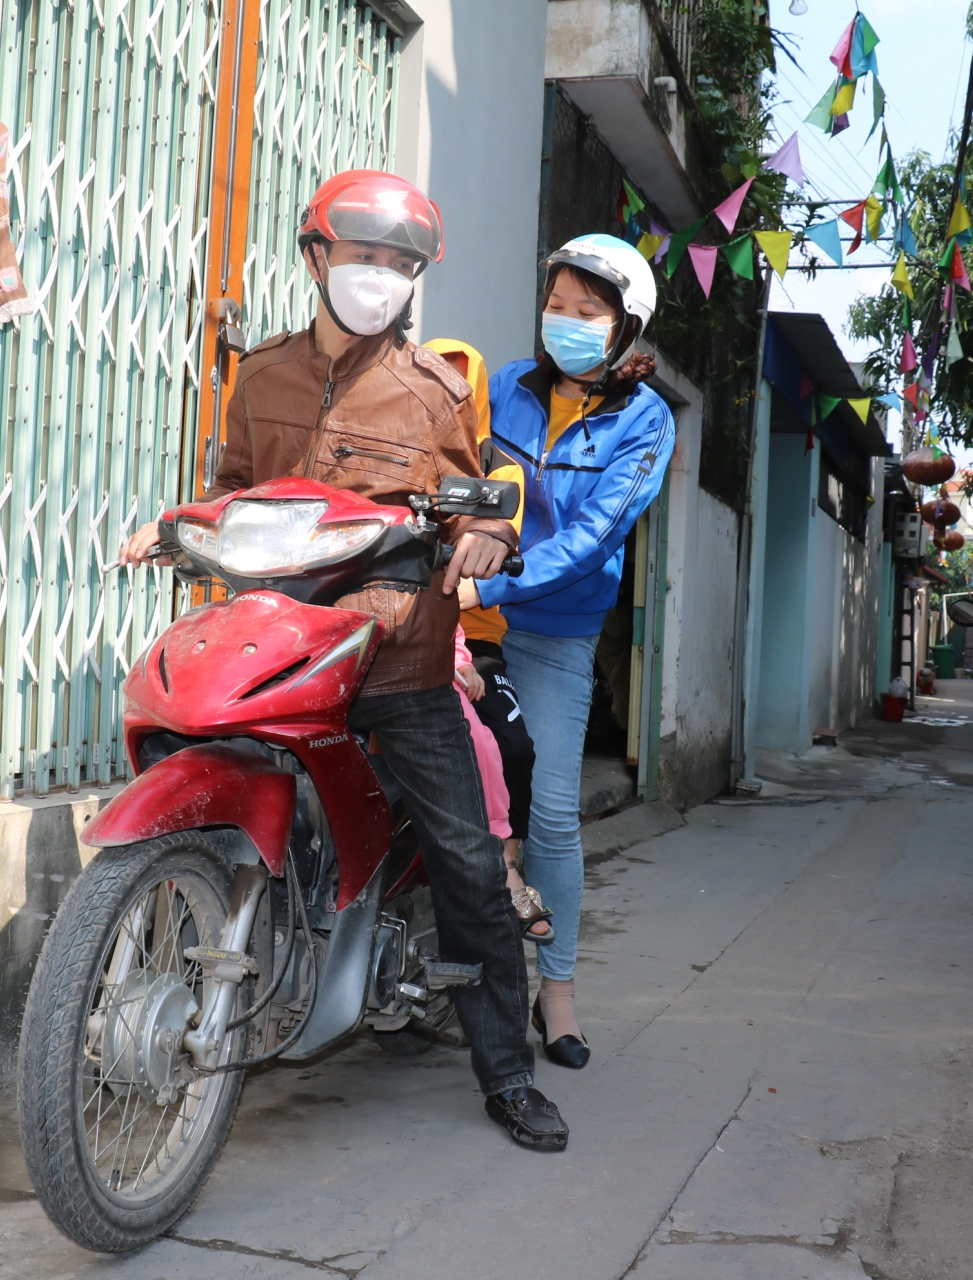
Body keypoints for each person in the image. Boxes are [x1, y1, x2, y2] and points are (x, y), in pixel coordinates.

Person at [119, 170, 567, 1152]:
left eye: (400, 263)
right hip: (275, 642)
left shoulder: (432, 392)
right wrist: (176, 531)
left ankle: (504, 1071)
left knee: (466, 861)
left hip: (394, 659)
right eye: (362, 254)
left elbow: (477, 500)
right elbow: (234, 491)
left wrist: (488, 538)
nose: (380, 276)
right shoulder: (263, 375)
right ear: (315, 256)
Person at [458, 234, 676, 1070]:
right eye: (557, 306)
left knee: (548, 813)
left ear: (625, 329)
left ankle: (559, 994)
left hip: (550, 627)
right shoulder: (506, 386)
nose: (566, 323)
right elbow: (454, 475)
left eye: (588, 312)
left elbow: (594, 537)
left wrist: (496, 583)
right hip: (465, 612)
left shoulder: (645, 421)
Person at [425, 338, 548, 943]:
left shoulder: (497, 466)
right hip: (398, 629)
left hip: (473, 638)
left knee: (515, 748)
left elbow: (502, 532)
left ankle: (508, 867)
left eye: (459, 384)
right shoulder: (398, 457)